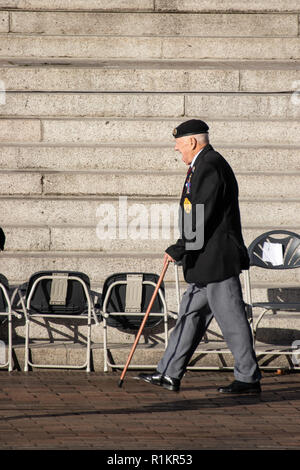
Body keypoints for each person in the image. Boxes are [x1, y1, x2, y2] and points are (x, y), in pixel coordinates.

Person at [138, 119, 261, 394]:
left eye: (179, 143)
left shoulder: (209, 164)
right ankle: (168, 372)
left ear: (192, 142)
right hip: (204, 261)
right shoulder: (202, 164)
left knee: (232, 322)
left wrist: (181, 246)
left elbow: (201, 212)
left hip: (217, 261)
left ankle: (248, 379)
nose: (176, 148)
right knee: (189, 316)